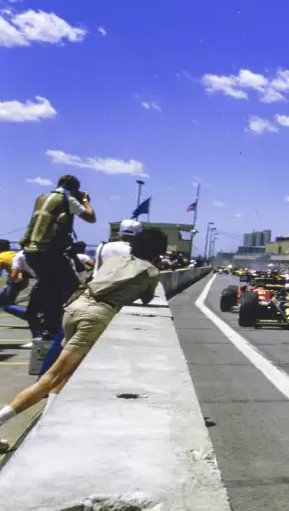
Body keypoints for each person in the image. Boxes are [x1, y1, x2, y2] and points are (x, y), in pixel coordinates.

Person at [0, 228, 166, 452]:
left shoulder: (114, 260)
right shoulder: (151, 271)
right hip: (97, 314)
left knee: (66, 376)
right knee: (52, 378)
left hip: (75, 307)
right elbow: (147, 298)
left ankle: (46, 424)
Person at [19, 175, 96, 341]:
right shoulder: (67, 199)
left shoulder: (42, 198)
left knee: (50, 290)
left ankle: (49, 328)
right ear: (74, 188)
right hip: (50, 253)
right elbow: (91, 217)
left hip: (33, 253)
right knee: (71, 289)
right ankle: (60, 328)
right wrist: (85, 201)